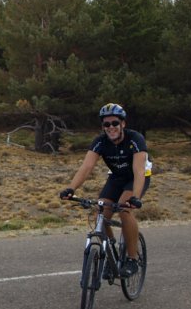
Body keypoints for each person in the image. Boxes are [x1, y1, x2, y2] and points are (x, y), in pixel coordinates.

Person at [59, 103, 151, 276]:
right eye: (106, 124)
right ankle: (110, 251)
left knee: (124, 210)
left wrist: (136, 197)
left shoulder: (135, 139)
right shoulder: (100, 142)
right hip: (116, 178)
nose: (111, 127)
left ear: (123, 124)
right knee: (99, 213)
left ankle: (132, 259)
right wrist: (71, 188)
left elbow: (139, 171)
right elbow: (86, 167)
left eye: (115, 123)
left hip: (136, 178)